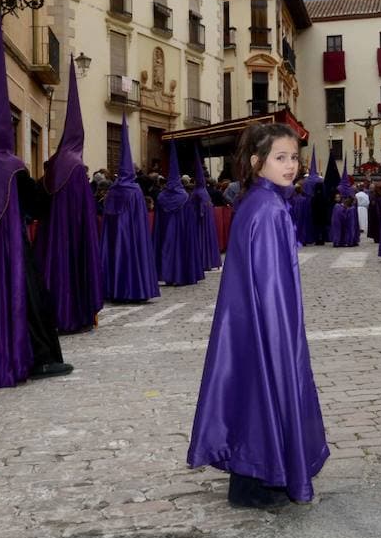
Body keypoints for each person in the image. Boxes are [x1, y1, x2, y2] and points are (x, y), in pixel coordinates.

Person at [188, 123, 328, 509]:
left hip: (249, 321)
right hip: (267, 323)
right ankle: (263, 476)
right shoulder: (268, 209)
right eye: (280, 158)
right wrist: (283, 339)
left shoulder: (257, 202)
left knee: (252, 392)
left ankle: (256, 475)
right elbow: (271, 286)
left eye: (294, 158)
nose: (291, 166)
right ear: (257, 162)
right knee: (266, 389)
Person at [0, 14, 71, 388]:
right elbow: (38, 205)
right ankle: (32, 358)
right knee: (27, 300)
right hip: (13, 252)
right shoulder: (13, 166)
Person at [34, 56, 103, 333]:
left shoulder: (55, 163)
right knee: (72, 271)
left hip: (51, 238)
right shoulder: (75, 166)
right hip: (73, 237)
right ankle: (74, 314)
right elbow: (84, 213)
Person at [101, 115, 160, 302]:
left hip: (115, 236)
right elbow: (141, 218)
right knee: (131, 257)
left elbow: (107, 214)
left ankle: (114, 289)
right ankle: (134, 288)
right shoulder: (135, 190)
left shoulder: (113, 190)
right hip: (132, 236)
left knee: (115, 256)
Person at [154, 141, 203, 286]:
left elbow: (158, 222)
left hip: (165, 234)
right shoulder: (184, 196)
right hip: (182, 234)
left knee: (166, 250)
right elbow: (190, 221)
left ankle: (167, 275)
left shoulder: (161, 197)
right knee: (181, 250)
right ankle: (182, 274)